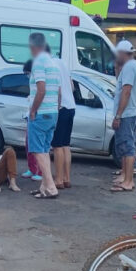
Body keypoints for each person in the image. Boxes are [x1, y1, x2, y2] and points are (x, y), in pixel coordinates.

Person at [27, 32, 60, 199]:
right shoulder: (53, 63)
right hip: (52, 112)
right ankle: (44, 187)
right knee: (45, 150)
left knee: (38, 151)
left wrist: (33, 110)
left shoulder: (38, 62)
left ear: (33, 46)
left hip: (41, 113)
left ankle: (51, 187)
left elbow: (41, 90)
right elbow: (58, 91)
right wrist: (56, 108)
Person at [111, 39, 136, 192]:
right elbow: (121, 84)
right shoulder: (133, 65)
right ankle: (124, 176)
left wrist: (118, 115)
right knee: (124, 145)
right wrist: (117, 68)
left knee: (127, 146)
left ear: (123, 53)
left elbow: (126, 91)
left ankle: (128, 181)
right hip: (130, 112)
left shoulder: (130, 67)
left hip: (127, 113)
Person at [52, 56, 76, 189]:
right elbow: (72, 87)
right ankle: (67, 178)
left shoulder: (50, 65)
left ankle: (59, 179)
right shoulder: (63, 63)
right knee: (66, 145)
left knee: (57, 146)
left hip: (61, 108)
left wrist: (57, 107)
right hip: (71, 107)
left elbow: (57, 90)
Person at [20, 59, 42, 182]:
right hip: (30, 115)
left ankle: (40, 171)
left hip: (37, 116)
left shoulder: (39, 81)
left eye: (27, 73)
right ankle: (32, 169)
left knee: (37, 145)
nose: (27, 76)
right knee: (29, 144)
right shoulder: (32, 82)